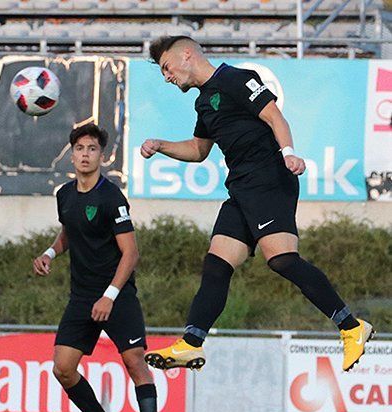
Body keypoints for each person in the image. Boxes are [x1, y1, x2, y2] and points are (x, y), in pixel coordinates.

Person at [141, 36, 373, 372]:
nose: (166, 77)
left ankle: (352, 327)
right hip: (240, 189)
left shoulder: (237, 78)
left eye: (166, 68)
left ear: (187, 55)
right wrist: (160, 144)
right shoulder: (204, 102)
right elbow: (198, 150)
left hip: (269, 179)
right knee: (217, 265)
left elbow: (275, 118)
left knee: (281, 260)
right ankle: (191, 344)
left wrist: (289, 154)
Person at [33, 123, 165, 412]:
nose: (85, 155)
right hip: (81, 296)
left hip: (116, 295)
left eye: (92, 149)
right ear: (72, 155)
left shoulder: (111, 197)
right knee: (62, 368)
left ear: (101, 157)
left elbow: (131, 253)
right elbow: (69, 232)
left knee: (135, 361)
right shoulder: (64, 194)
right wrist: (49, 253)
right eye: (79, 149)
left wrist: (109, 295)